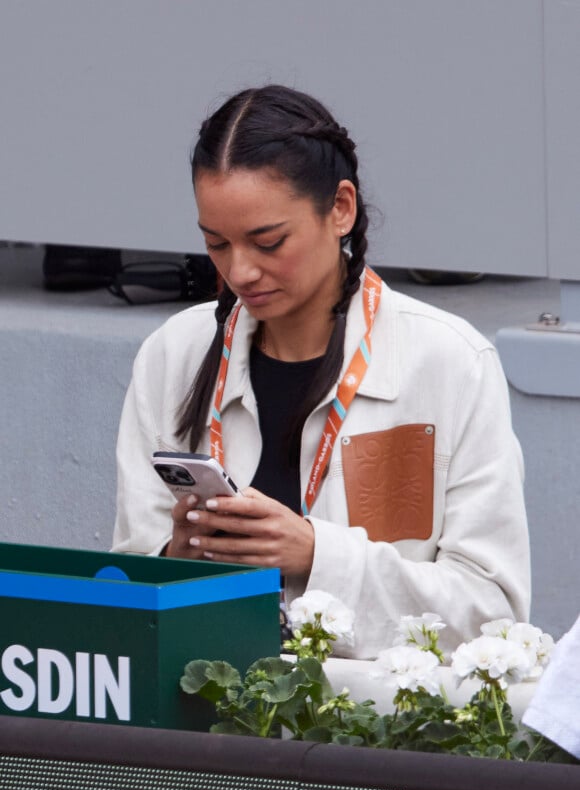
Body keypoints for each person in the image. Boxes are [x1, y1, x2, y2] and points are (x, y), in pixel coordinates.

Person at [112, 84, 530, 658]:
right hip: (207, 724)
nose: (241, 271)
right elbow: (125, 590)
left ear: (341, 209)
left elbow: (493, 616)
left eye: (268, 241)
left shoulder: (451, 361)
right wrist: (178, 561)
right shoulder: (173, 353)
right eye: (216, 244)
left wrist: (315, 554)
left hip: (373, 735)